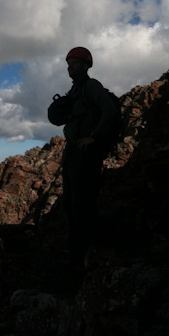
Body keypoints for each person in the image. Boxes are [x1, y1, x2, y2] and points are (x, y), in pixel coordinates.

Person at [57, 47, 118, 265]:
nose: (69, 67)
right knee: (70, 204)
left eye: (74, 63)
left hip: (86, 154)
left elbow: (109, 110)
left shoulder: (92, 86)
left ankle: (88, 255)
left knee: (82, 205)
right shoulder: (75, 90)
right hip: (73, 153)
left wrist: (94, 137)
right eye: (68, 63)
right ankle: (78, 254)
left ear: (85, 66)